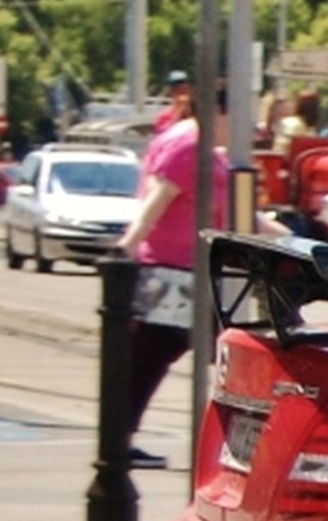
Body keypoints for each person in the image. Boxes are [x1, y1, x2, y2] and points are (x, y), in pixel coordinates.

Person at [115, 96, 283, 469]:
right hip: (175, 273)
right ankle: (245, 448)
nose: (246, 127)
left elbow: (237, 212)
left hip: (189, 272)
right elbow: (158, 199)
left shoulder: (199, 145)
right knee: (242, 355)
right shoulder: (190, 146)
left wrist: (285, 236)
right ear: (220, 111)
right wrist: (128, 245)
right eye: (240, 116)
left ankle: (120, 439)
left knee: (159, 359)